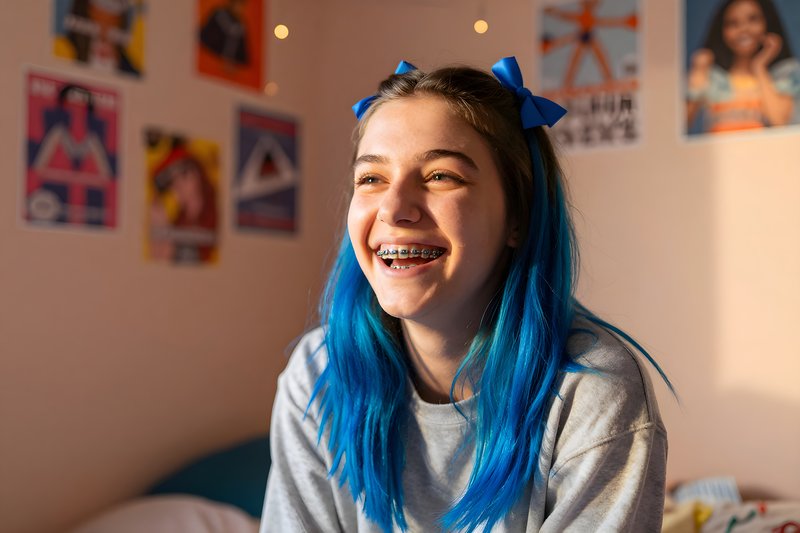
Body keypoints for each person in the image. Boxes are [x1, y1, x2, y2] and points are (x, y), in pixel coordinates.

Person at [261, 57, 671, 532]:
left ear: (518, 217)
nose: (394, 209)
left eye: (441, 176)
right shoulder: (317, 375)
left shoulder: (592, 391)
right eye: (371, 178)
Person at [686, 0, 800, 134]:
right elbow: (679, 127)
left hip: (767, 153)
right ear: (722, 30)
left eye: (753, 19)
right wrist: (698, 77)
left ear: (767, 22)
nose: (743, 29)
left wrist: (759, 67)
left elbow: (780, 122)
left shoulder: (784, 73)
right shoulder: (714, 77)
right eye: (733, 23)